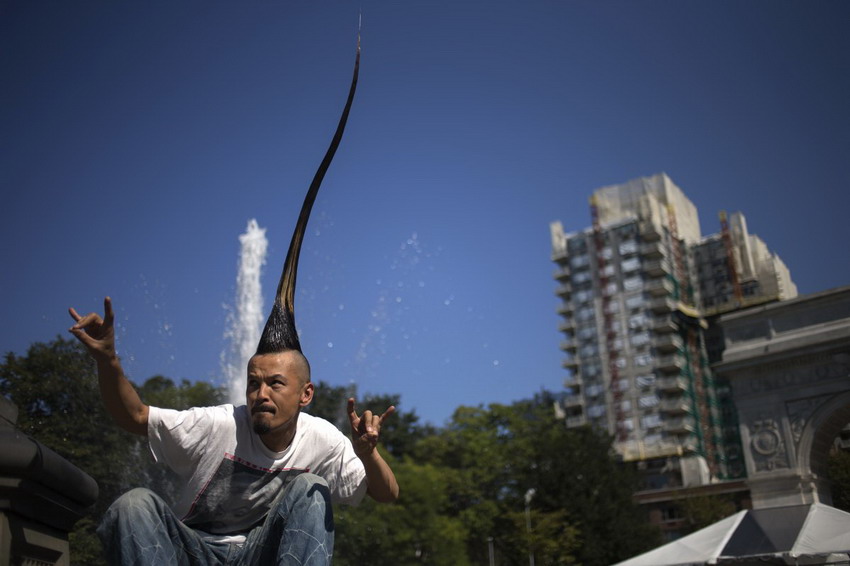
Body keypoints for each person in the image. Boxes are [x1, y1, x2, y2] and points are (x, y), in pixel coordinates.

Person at [69, 296, 398, 565]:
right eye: (253, 384)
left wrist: (368, 455)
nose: (261, 394)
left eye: (275, 384)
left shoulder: (321, 439)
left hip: (260, 556)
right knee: (132, 505)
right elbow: (136, 416)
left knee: (312, 489)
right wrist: (108, 360)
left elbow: (387, 493)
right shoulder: (220, 424)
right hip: (193, 553)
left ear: (306, 394)